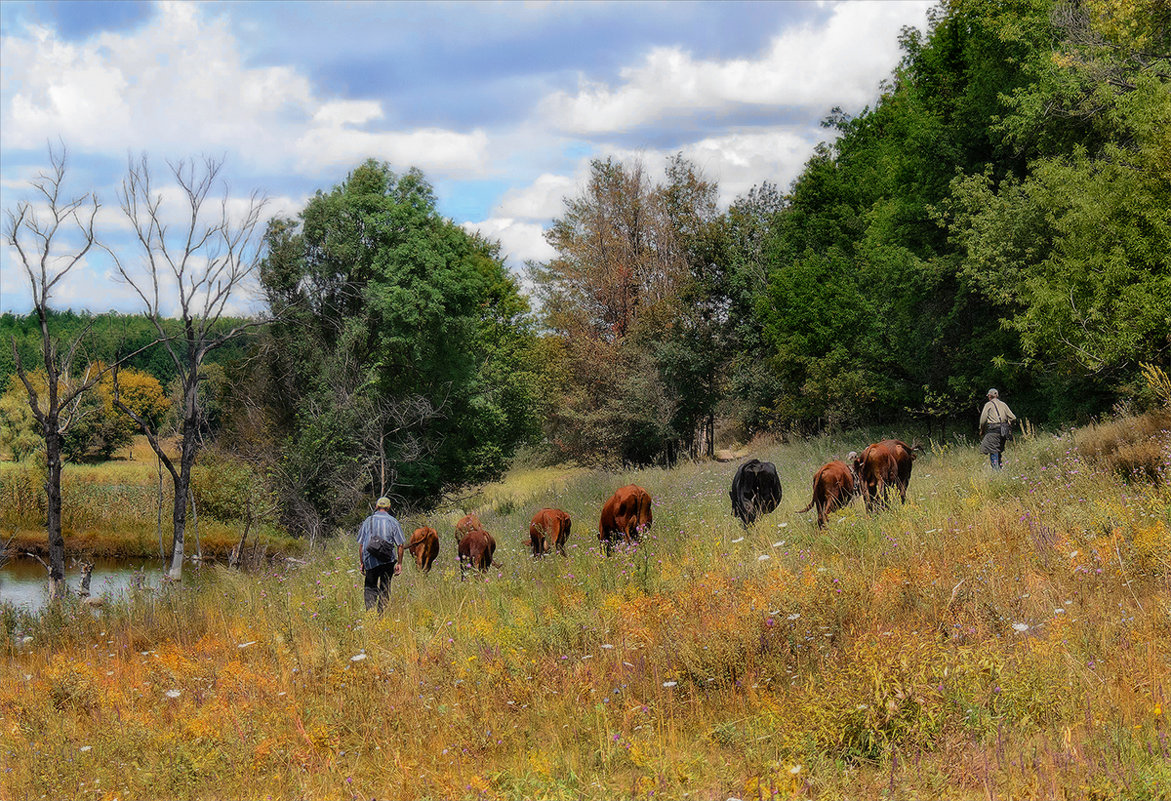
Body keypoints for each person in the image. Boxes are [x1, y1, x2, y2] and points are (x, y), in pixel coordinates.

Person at [357, 496, 405, 612]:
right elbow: (400, 545)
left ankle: (370, 614)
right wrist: (399, 563)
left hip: (370, 559)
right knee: (385, 587)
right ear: (389, 507)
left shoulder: (368, 521)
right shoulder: (393, 521)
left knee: (370, 587)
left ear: (376, 506)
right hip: (387, 560)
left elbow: (362, 545)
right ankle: (381, 616)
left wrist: (362, 562)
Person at [978, 388, 1017, 470]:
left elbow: (982, 420)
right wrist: (1010, 424)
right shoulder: (1003, 404)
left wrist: (982, 430)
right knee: (998, 450)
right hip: (1003, 431)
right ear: (997, 395)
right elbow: (1013, 418)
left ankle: (996, 472)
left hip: (993, 430)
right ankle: (999, 468)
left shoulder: (988, 405)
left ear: (989, 396)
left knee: (993, 450)